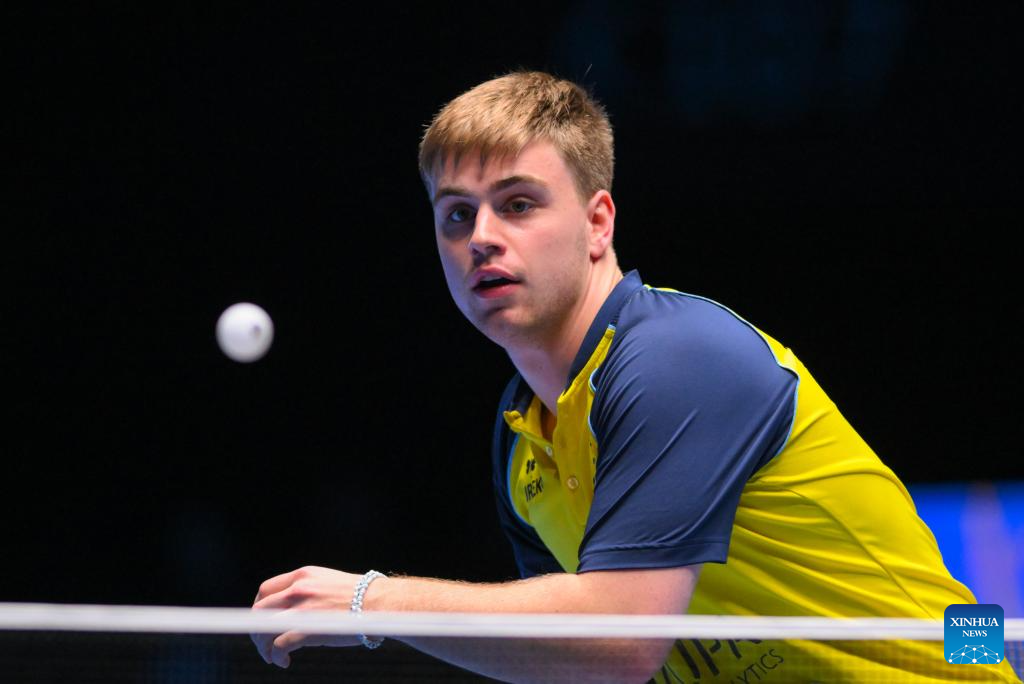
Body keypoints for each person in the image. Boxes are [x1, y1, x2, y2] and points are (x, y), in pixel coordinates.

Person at [252, 71, 1018, 683]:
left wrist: (373, 601)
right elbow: (565, 660)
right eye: (456, 215)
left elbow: (621, 639)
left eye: (517, 204)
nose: (481, 236)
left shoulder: (678, 359)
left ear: (598, 223)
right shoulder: (521, 439)